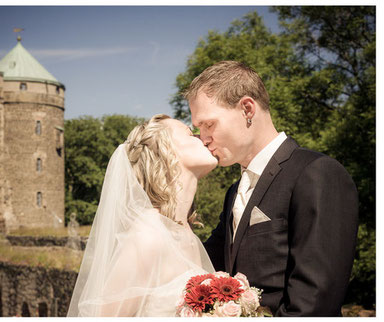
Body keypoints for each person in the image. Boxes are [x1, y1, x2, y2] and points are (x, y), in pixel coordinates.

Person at [186, 60, 359, 317]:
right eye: (199, 129)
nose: (204, 138)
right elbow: (203, 264)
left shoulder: (316, 173)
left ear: (247, 109)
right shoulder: (234, 193)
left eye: (209, 124)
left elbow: (315, 303)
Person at [67, 114, 218, 317]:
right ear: (166, 152)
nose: (203, 138)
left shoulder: (187, 233)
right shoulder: (148, 235)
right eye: (190, 133)